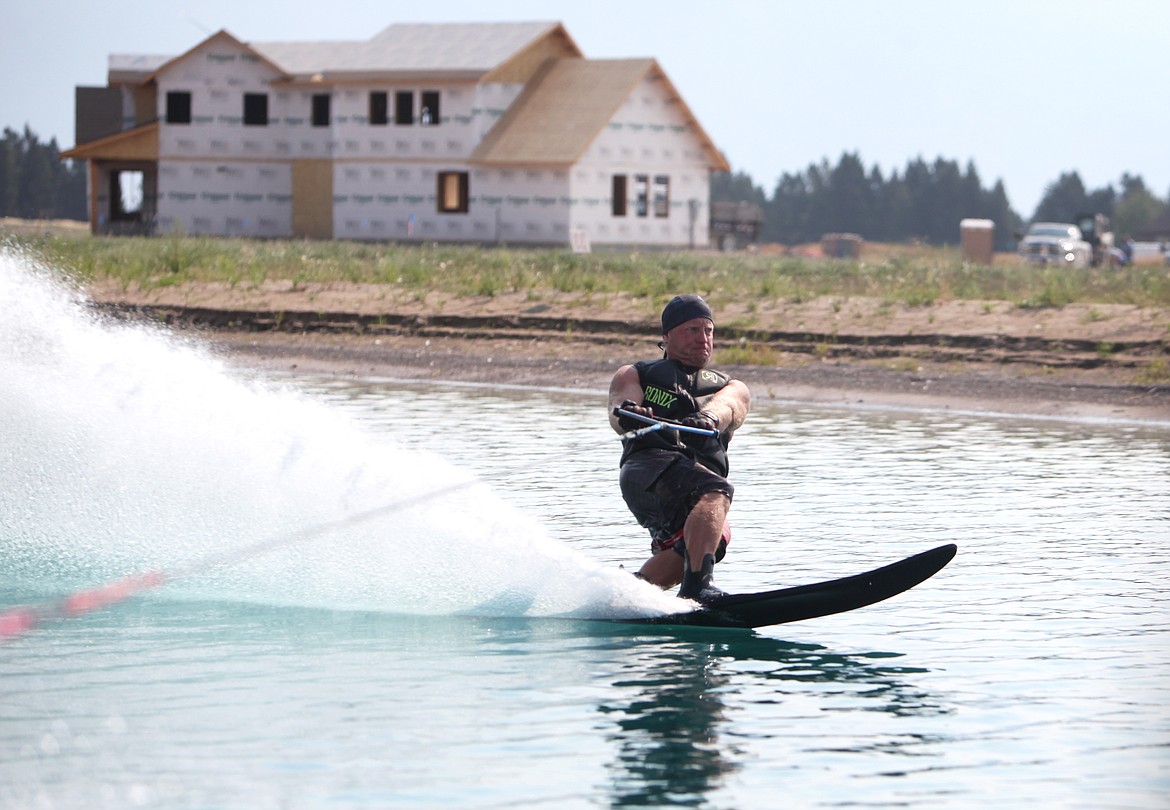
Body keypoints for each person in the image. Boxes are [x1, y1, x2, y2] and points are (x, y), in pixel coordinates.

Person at [608, 294, 751, 603]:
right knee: (716, 491)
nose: (703, 339)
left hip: (688, 481)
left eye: (708, 331)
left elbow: (731, 406)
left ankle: (626, 597)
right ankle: (698, 588)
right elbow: (618, 409)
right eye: (692, 330)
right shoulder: (636, 373)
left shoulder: (730, 387)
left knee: (713, 537)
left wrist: (709, 417)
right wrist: (631, 413)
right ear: (667, 336)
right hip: (649, 471)